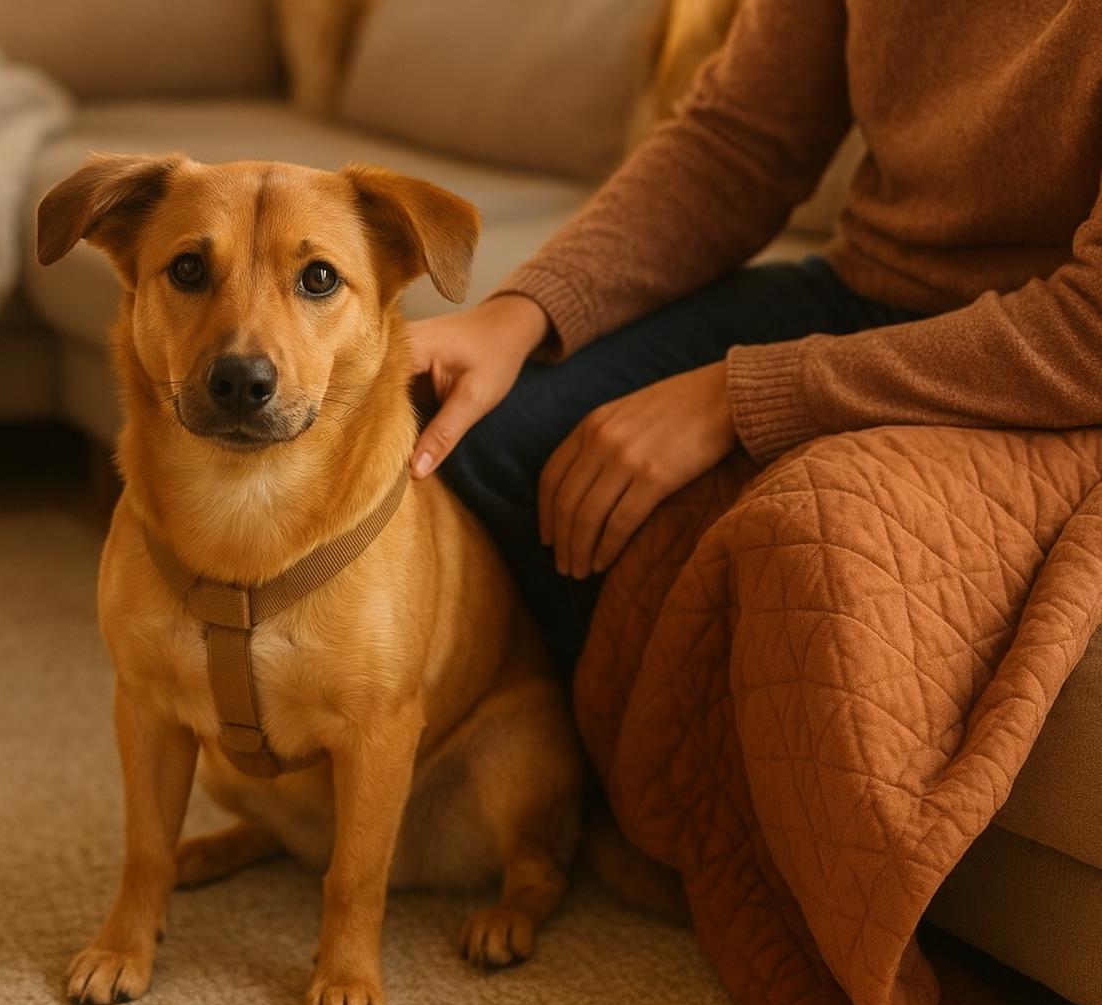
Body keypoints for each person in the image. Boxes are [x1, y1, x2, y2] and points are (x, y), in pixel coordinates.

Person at [405, 0, 1102, 681]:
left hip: (1043, 358)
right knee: (466, 422)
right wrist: (519, 313)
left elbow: (1089, 332)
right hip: (860, 287)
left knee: (809, 548)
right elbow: (735, 143)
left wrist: (739, 395)